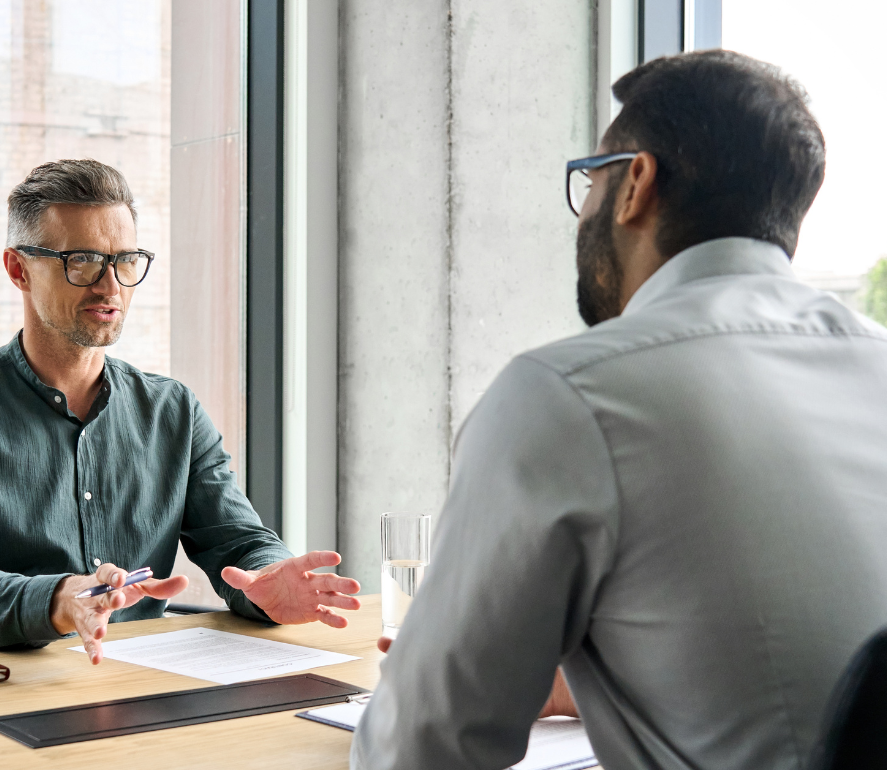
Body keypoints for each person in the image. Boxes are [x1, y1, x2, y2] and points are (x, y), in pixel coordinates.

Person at [352, 50, 887, 769]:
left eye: (591, 181)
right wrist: (587, 685)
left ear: (635, 182)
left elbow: (420, 749)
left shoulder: (570, 395)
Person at [0, 159, 360, 662]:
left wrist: (268, 577)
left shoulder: (172, 410)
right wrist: (60, 601)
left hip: (126, 684)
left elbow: (239, 544)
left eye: (126, 260)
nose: (110, 286)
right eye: (83, 260)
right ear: (18, 268)